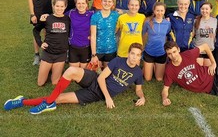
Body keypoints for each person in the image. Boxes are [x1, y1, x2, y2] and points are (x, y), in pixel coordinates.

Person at [4, 43, 145, 114]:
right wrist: (108, 98)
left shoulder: (138, 72)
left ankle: (23, 102)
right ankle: (44, 103)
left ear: (140, 57)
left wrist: (142, 97)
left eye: (137, 55)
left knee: (58, 99)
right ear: (128, 54)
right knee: (71, 70)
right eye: (132, 53)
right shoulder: (118, 61)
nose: (134, 57)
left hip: (96, 94)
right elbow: (101, 79)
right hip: (95, 81)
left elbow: (138, 89)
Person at [36, 0, 70, 86]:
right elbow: (35, 31)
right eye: (57, 6)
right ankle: (48, 67)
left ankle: (54, 68)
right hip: (48, 53)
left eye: (62, 6)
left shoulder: (68, 19)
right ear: (53, 6)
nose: (59, 8)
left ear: (65, 6)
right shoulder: (47, 18)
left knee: (55, 82)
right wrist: (40, 43)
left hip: (61, 54)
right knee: (40, 83)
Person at [27, 0, 55, 65]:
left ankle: (46, 54)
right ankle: (36, 55)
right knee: (36, 33)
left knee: (47, 33)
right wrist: (32, 14)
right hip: (37, 12)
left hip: (48, 12)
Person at [142, 2, 171, 81]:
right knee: (147, 79)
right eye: (157, 10)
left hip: (161, 53)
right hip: (149, 52)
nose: (159, 13)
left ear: (164, 11)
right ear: (154, 11)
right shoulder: (148, 22)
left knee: (159, 79)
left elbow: (167, 34)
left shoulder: (167, 23)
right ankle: (147, 66)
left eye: (162, 10)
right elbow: (143, 33)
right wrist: (143, 46)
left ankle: (154, 66)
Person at [90, 0, 119, 69]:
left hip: (111, 49)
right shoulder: (95, 16)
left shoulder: (116, 15)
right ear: (101, 2)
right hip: (98, 50)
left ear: (113, 3)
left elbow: (117, 29)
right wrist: (94, 54)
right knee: (95, 74)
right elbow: (93, 35)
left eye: (109, 1)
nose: (107, 3)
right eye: (105, 1)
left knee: (107, 75)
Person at [65, 0, 94, 68]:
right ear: (75, 4)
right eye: (79, 3)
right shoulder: (71, 13)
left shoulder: (92, 14)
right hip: (73, 47)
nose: (81, 5)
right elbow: (59, 17)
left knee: (83, 73)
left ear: (87, 4)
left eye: (83, 3)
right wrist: (47, 16)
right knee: (74, 71)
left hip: (86, 46)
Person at [192, 2, 217, 66]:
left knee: (207, 71)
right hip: (198, 49)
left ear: (211, 10)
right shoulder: (196, 21)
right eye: (202, 9)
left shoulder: (215, 21)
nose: (204, 11)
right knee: (198, 71)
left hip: (210, 50)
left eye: (206, 9)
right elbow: (192, 34)